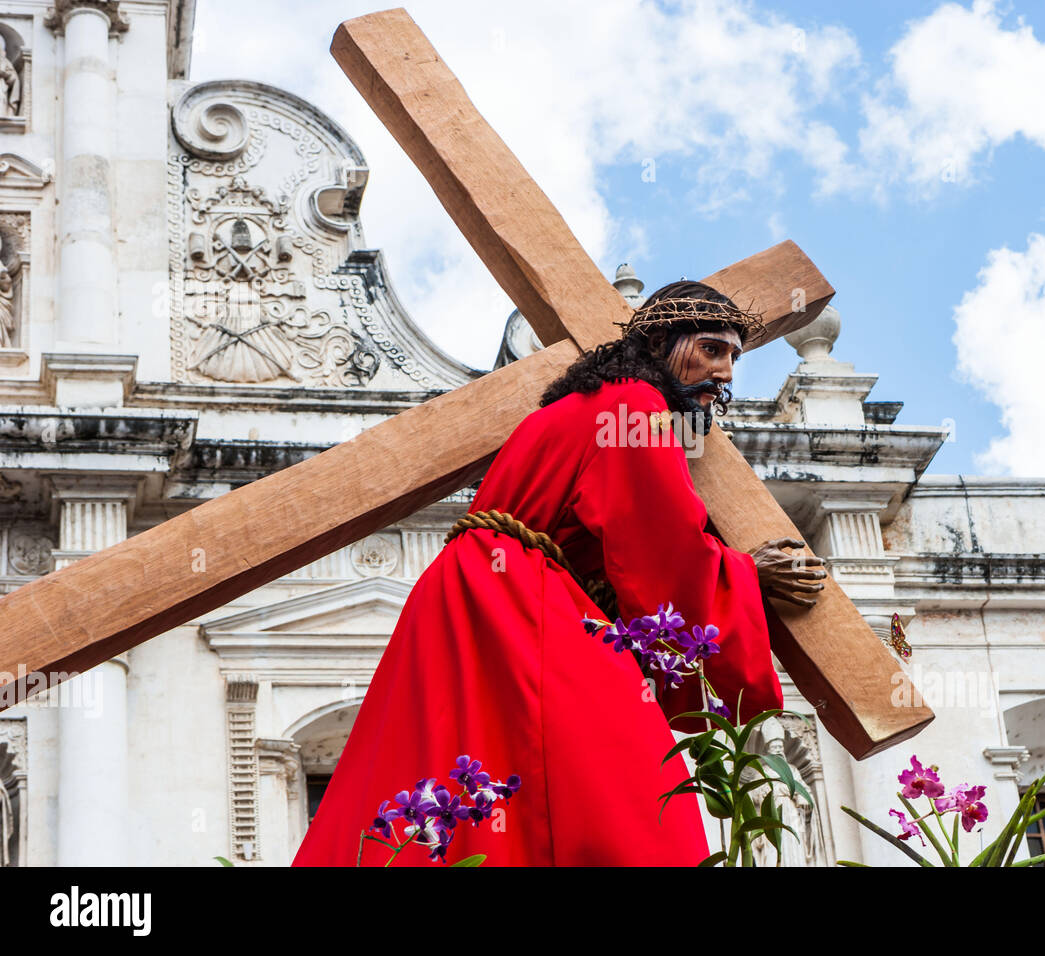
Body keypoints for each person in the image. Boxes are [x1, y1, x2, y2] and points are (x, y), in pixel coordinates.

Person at [292, 280, 827, 866]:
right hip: (516, 594)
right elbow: (662, 548)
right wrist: (745, 577)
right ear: (660, 343)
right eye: (711, 349)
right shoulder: (634, 406)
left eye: (733, 357)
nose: (725, 372)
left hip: (474, 593)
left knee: (466, 771)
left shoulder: (589, 405)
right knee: (626, 778)